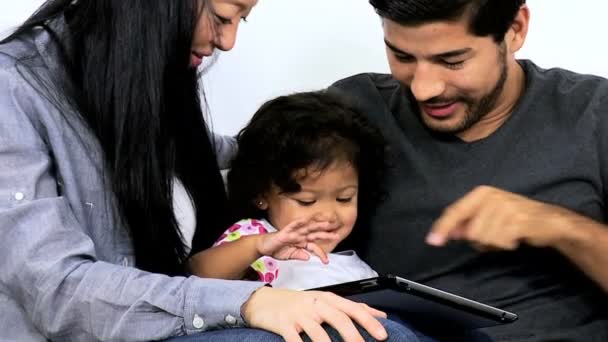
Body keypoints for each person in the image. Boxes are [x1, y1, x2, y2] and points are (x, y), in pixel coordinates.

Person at [0, 1, 419, 341]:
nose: (229, 41)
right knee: (374, 335)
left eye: (241, 20)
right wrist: (247, 302)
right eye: (222, 16)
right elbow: (56, 290)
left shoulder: (142, 90)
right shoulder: (14, 91)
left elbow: (254, 155)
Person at [330, 0, 608, 340]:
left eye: (452, 61)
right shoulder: (352, 111)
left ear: (515, 29)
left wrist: (563, 228)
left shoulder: (594, 115)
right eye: (402, 57)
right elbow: (253, 224)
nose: (424, 88)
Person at [188, 90, 386, 290]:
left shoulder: (354, 265)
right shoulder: (255, 235)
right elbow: (197, 274)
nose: (328, 215)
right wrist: (257, 246)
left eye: (344, 198)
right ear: (261, 193)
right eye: (306, 201)